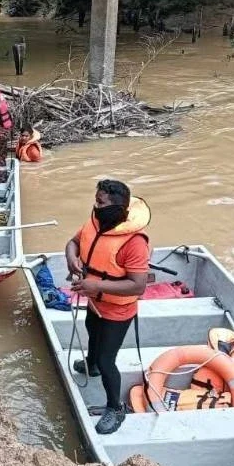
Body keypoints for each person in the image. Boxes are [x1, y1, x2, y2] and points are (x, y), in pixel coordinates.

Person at [67, 179, 151, 435]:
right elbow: (73, 242)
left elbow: (138, 286)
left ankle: (115, 408)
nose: (95, 205)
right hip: (94, 301)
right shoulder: (95, 223)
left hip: (118, 310)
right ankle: (90, 364)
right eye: (96, 199)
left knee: (107, 360)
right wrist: (71, 259)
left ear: (116, 207)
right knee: (91, 329)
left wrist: (98, 287)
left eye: (100, 202)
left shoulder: (134, 243)